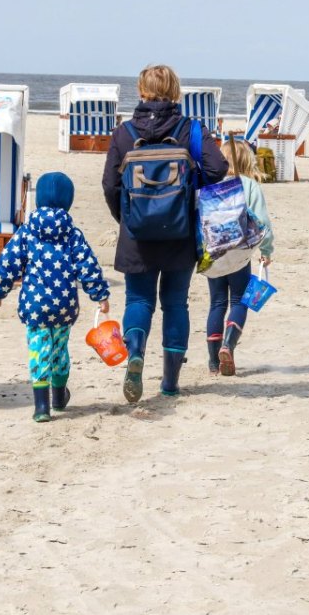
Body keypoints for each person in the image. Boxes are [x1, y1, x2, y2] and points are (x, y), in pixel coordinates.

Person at [102, 64, 228, 402]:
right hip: (180, 232)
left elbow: (110, 185)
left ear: (141, 91)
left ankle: (136, 354)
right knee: (176, 304)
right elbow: (219, 169)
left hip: (136, 235)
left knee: (139, 300)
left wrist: (126, 219)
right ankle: (170, 383)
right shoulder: (191, 129)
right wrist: (189, 186)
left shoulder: (124, 132)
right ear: (175, 92)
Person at [0, 172, 110, 422]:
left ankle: (42, 407)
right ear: (68, 201)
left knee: (38, 350)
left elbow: (9, 262)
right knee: (59, 351)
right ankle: (59, 396)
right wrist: (100, 295)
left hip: (35, 306)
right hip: (64, 307)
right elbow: (88, 265)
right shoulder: (72, 234)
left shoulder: (27, 231)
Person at [202, 139, 274, 377]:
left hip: (213, 252)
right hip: (240, 252)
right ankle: (228, 345)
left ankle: (213, 362)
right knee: (240, 300)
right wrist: (266, 250)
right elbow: (262, 221)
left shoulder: (210, 183)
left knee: (217, 303)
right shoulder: (249, 185)